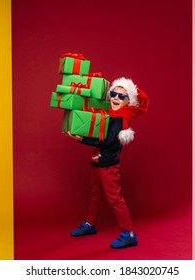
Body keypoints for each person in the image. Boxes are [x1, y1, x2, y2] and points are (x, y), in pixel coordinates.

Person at [66, 77, 148, 249]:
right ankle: (90, 224)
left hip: (108, 165)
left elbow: (106, 142)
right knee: (95, 196)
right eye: (113, 94)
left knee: (115, 199)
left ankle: (129, 234)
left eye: (121, 96)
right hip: (97, 161)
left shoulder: (120, 119)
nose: (116, 98)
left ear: (128, 101)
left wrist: (82, 139)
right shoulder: (109, 114)